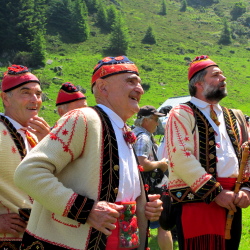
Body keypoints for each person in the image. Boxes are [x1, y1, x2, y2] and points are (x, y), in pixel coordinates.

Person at [14, 56, 163, 250]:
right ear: (103, 87)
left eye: (139, 83)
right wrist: (86, 210)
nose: (140, 89)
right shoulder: (83, 119)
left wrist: (144, 208)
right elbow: (28, 172)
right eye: (130, 81)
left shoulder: (122, 130)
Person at [165, 55, 250, 250]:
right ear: (199, 83)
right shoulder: (181, 113)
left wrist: (247, 189)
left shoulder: (234, 115)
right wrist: (216, 192)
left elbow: (248, 153)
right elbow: (180, 157)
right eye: (216, 75)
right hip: (196, 201)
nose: (224, 78)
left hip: (233, 201)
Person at [0, 64, 50, 249]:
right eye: (26, 93)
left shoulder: (34, 135)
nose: (35, 100)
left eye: (38, 94)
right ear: (5, 98)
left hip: (34, 238)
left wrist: (49, 143)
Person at [132, 105, 173, 250]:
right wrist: (161, 164)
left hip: (137, 188)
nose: (157, 123)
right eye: (155, 119)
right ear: (146, 120)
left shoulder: (134, 132)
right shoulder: (143, 137)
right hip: (148, 187)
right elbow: (142, 163)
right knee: (163, 225)